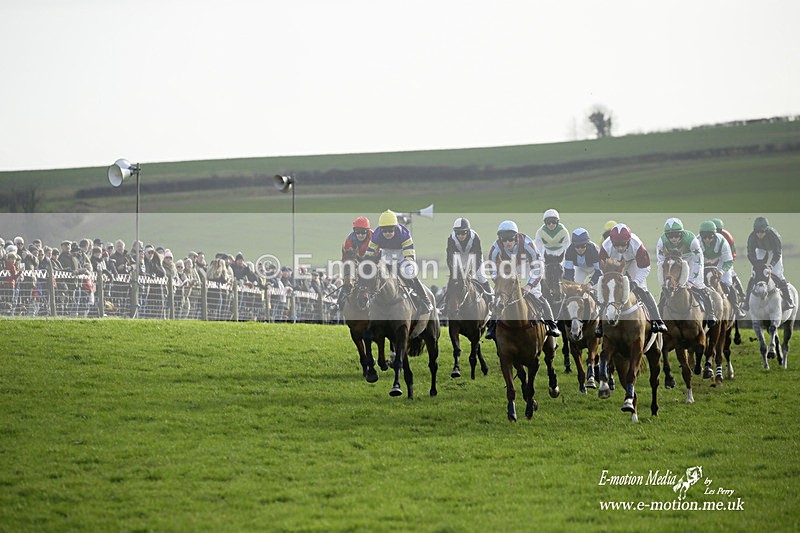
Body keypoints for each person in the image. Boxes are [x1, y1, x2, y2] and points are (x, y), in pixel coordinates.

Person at [485, 220, 560, 339]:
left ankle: (552, 325)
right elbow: (491, 267)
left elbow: (538, 268)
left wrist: (529, 286)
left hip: (528, 266)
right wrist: (501, 283)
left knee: (536, 294)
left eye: (510, 239)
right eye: (504, 240)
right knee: (499, 297)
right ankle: (492, 327)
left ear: (516, 237)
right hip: (508, 267)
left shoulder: (527, 244)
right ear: (500, 239)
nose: (508, 242)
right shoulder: (495, 247)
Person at [598, 223, 668, 335]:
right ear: (612, 243)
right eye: (617, 245)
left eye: (623, 245)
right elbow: (602, 269)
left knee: (642, 288)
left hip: (634, 263)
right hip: (615, 265)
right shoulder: (606, 247)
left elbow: (645, 268)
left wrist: (635, 282)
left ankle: (657, 320)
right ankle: (600, 325)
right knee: (608, 290)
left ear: (629, 241)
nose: (620, 248)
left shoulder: (637, 245)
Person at [366, 210, 433, 312]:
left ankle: (425, 300)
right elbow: (369, 254)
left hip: (403, 255)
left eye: (390, 230)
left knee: (409, 273)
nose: (387, 233)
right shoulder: (376, 234)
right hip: (386, 255)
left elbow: (409, 256)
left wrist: (400, 265)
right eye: (384, 231)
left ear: (395, 228)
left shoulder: (404, 234)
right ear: (380, 229)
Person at [655, 217, 717, 327]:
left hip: (691, 260)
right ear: (666, 235)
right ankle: (660, 314)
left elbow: (697, 261)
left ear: (681, 233)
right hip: (673, 261)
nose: (673, 238)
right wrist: (665, 282)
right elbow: (660, 263)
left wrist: (691, 281)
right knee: (667, 287)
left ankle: (711, 314)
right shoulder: (661, 242)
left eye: (676, 235)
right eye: (670, 236)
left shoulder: (692, 240)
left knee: (699, 285)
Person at [743, 216, 794, 311]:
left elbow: (777, 253)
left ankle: (788, 300)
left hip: (773, 251)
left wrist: (771, 265)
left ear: (766, 230)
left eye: (762, 232)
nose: (759, 234)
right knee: (755, 274)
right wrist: (756, 265)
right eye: (757, 232)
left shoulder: (774, 236)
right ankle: (747, 302)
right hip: (760, 250)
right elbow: (750, 253)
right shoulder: (752, 237)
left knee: (778, 273)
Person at [699, 220, 745, 318]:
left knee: (727, 282)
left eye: (710, 237)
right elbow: (695, 260)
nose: (707, 240)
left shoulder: (722, 241)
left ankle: (736, 308)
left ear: (714, 235)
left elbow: (728, 260)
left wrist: (721, 271)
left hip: (720, 261)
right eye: (704, 237)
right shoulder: (697, 241)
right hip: (704, 261)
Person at [445, 217, 492, 306]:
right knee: (453, 279)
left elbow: (477, 257)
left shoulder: (475, 237)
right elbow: (450, 258)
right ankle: (446, 303)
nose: (460, 235)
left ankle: (490, 301)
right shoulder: (451, 238)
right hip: (459, 258)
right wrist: (455, 271)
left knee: (481, 277)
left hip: (474, 258)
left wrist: (471, 272)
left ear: (468, 231)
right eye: (458, 233)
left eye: (463, 233)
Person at [336, 216, 373, 309]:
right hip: (356, 262)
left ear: (368, 231)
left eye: (363, 232)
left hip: (371, 261)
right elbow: (347, 257)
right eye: (358, 232)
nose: (360, 235)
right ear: (354, 231)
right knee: (349, 276)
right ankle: (340, 301)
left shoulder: (373, 236)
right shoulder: (349, 239)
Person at [711, 217, 746, 301]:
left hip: (725, 258)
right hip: (712, 259)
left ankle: (740, 296)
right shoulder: (706, 237)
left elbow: (732, 253)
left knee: (729, 277)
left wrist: (729, 263)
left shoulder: (727, 236)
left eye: (718, 231)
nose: (717, 234)